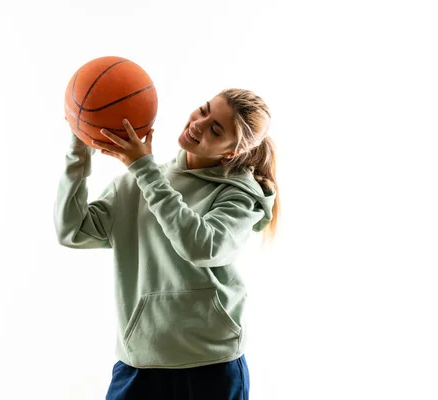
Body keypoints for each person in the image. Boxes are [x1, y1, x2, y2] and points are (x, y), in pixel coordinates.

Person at [54, 88, 280, 399]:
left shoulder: (239, 196)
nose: (199, 123)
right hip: (140, 362)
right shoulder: (137, 181)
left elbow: (202, 246)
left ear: (231, 152)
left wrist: (144, 170)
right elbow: (72, 230)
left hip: (211, 364)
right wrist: (80, 148)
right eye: (203, 110)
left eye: (216, 129)